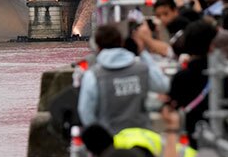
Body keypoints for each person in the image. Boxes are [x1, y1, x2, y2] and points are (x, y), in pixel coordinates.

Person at [78, 23, 171, 142]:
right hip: (142, 139)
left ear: (98, 47)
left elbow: (86, 112)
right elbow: (163, 85)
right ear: (121, 43)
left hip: (111, 142)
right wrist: (142, 53)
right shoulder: (141, 69)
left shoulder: (93, 76)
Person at [167, 19, 219, 147]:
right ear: (211, 44)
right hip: (220, 136)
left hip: (193, 135)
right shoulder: (220, 74)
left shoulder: (180, 77)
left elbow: (173, 104)